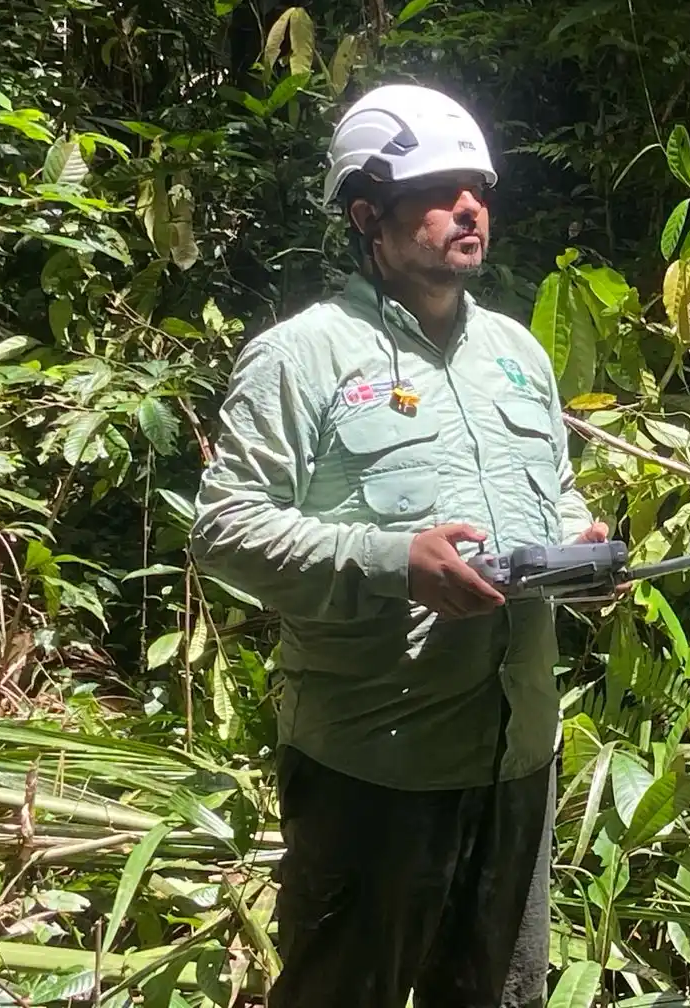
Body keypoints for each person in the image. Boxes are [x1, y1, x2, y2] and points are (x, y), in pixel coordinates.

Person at [191, 84, 604, 1008]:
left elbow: (559, 489)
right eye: (441, 190)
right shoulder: (302, 356)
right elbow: (223, 528)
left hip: (516, 754)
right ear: (368, 213)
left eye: (480, 190)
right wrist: (392, 562)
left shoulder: (516, 353)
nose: (470, 208)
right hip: (375, 765)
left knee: (502, 996)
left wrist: (578, 542)